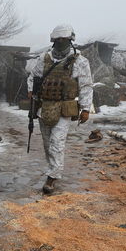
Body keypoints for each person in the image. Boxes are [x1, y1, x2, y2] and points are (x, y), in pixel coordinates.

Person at [27, 24, 93, 194]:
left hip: (64, 108)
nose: (61, 42)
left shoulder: (79, 61)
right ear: (53, 40)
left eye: (64, 39)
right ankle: (52, 168)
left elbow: (86, 86)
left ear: (70, 40)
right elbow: (33, 76)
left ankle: (52, 177)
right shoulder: (44, 58)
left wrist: (85, 108)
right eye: (58, 40)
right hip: (45, 107)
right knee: (48, 144)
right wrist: (30, 91)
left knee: (57, 143)